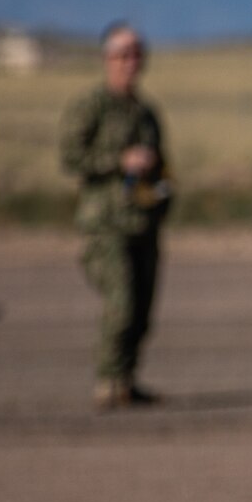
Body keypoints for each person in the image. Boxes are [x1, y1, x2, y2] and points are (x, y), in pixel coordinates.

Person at [58, 22, 171, 409]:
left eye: (137, 54)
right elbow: (71, 157)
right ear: (107, 59)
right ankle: (107, 380)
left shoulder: (146, 113)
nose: (131, 62)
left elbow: (162, 167)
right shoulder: (91, 106)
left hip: (143, 223)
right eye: (123, 54)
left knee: (142, 309)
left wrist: (162, 193)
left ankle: (126, 378)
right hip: (105, 226)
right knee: (120, 302)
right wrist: (118, 161)